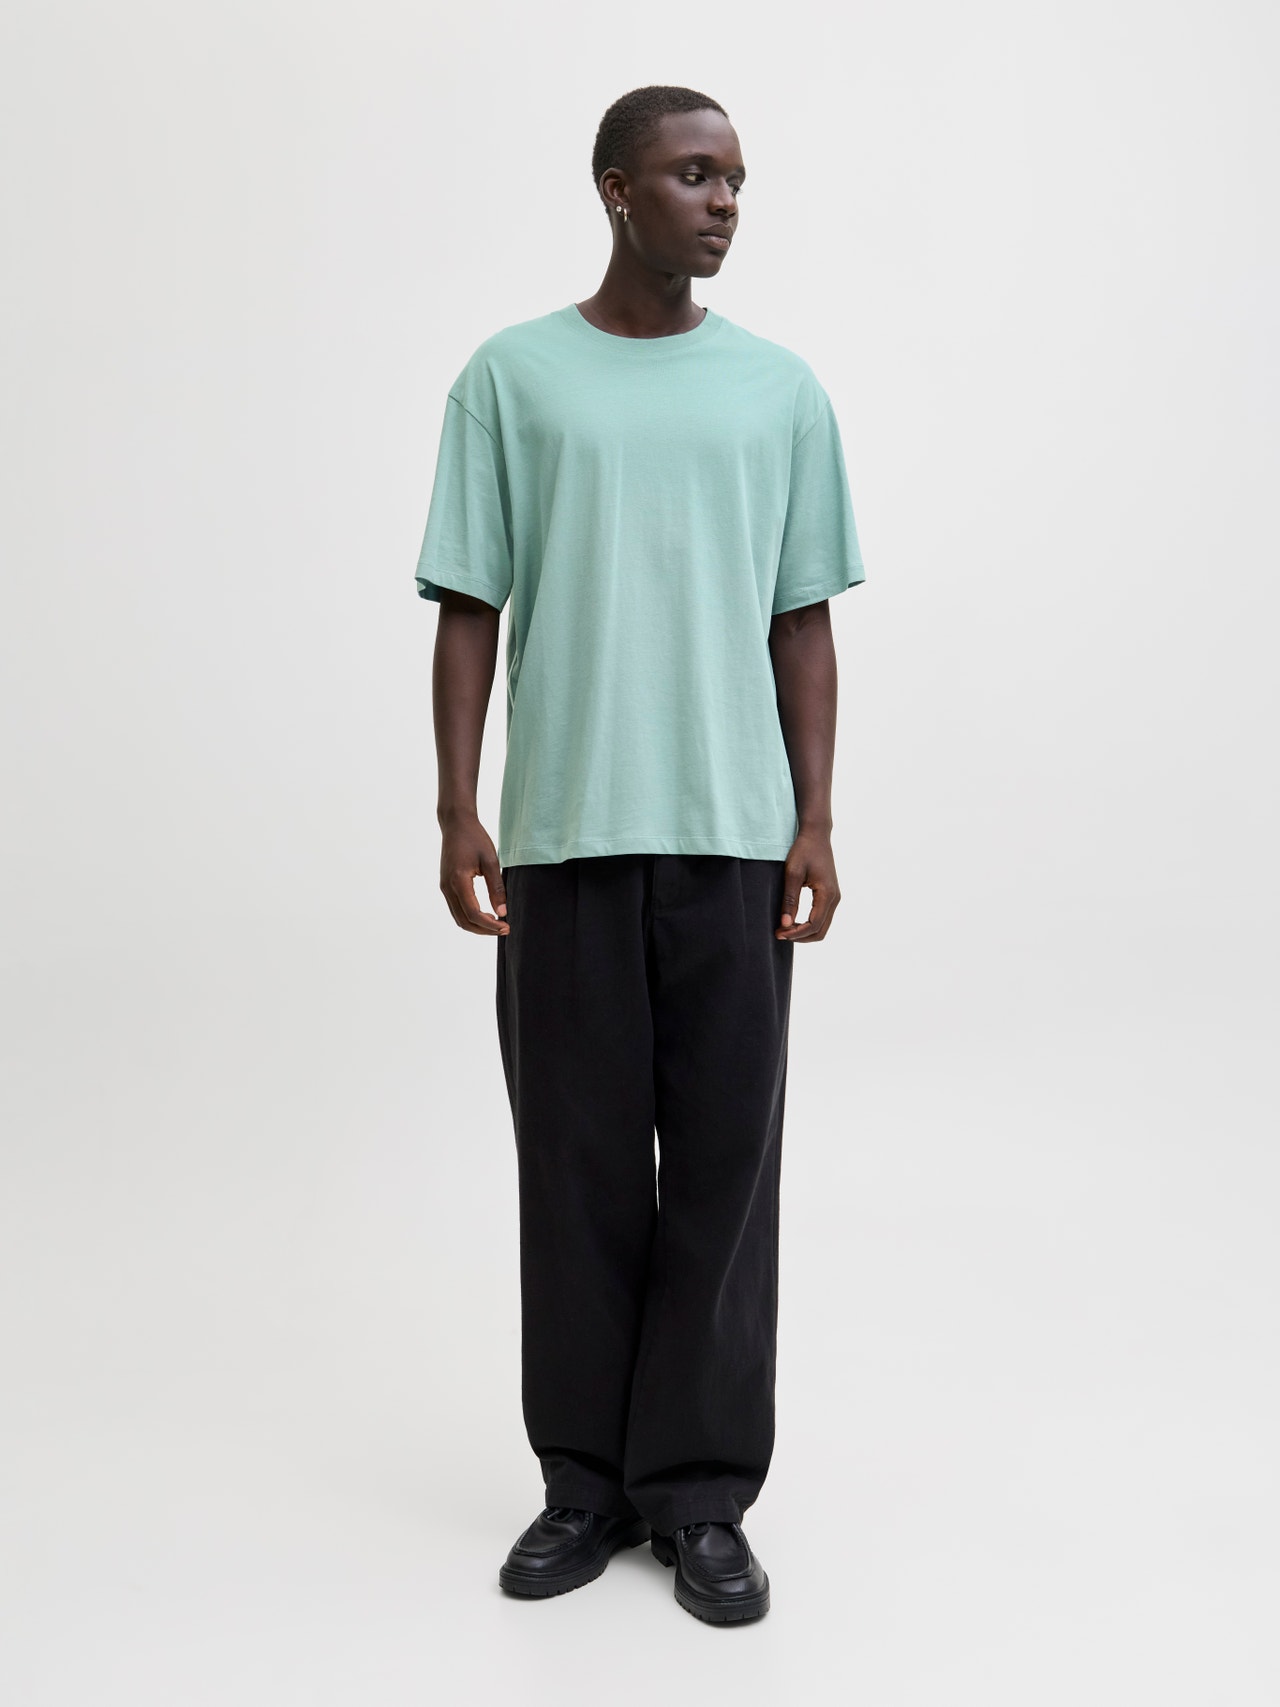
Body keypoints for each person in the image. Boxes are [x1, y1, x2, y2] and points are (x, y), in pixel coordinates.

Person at [414, 84, 865, 1625]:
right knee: (578, 1171)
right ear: (616, 189)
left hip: (733, 841)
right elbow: (468, 604)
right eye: (693, 174)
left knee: (726, 1175)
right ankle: (585, 1485)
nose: (725, 201)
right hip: (565, 838)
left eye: (736, 178)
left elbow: (802, 620)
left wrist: (814, 819)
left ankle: (701, 1494)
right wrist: (457, 809)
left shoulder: (780, 392)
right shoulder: (512, 379)